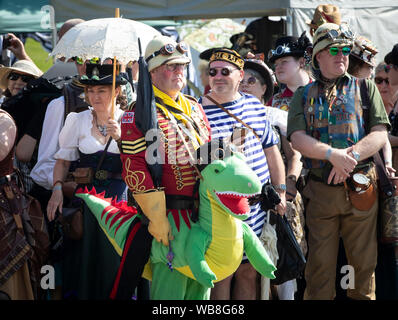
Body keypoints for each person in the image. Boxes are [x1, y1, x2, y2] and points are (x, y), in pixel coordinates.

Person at [287, 23, 390, 300]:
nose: (341, 55)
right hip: (320, 192)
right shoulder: (302, 95)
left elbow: (380, 134)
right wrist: (332, 155)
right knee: (320, 271)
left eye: (345, 50)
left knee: (363, 269)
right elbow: (297, 139)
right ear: (318, 55)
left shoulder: (366, 88)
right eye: (334, 50)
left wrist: (351, 157)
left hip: (361, 189)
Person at [119, 35, 211, 299]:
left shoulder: (194, 107)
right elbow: (134, 168)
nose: (178, 71)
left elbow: (207, 155)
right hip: (167, 218)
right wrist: (157, 218)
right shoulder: (139, 113)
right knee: (170, 296)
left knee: (200, 293)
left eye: (181, 65)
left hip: (201, 217)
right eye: (170, 66)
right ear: (152, 72)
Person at [199, 48, 286, 300]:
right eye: (212, 71)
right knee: (221, 271)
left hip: (255, 208)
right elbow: (196, 162)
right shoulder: (196, 110)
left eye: (225, 71)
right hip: (218, 208)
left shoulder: (255, 107)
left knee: (248, 271)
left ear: (239, 76)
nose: (217, 76)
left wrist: (280, 192)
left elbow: (272, 153)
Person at [45, 63, 128, 299]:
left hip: (119, 201)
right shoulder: (78, 120)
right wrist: (58, 189)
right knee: (85, 259)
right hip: (86, 200)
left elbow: (141, 164)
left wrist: (121, 139)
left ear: (116, 91)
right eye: (90, 91)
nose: (94, 96)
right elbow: (62, 160)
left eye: (101, 90)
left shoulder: (130, 120)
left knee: (114, 259)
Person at [239, 55, 307, 300]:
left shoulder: (276, 116)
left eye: (252, 80)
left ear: (265, 87)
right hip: (246, 204)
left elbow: (295, 154)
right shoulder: (229, 114)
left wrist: (288, 185)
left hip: (279, 200)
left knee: (281, 264)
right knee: (245, 269)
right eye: (242, 80)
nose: (245, 84)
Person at [0, 59, 43, 193]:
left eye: (25, 78)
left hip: (25, 174)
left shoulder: (34, 107)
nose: (18, 82)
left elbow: (24, 155)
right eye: (14, 77)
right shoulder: (6, 105)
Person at [268, 33, 312, 111]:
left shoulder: (324, 94)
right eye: (276, 64)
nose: (278, 67)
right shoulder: (273, 103)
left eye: (284, 62)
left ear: (301, 62)